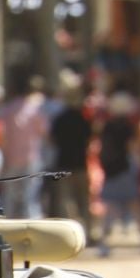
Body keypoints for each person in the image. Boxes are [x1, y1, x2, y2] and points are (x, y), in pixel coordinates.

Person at [95, 90, 140, 256]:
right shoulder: (127, 127)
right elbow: (132, 148)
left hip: (111, 170)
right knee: (135, 205)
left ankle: (104, 242)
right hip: (124, 170)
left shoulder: (107, 126)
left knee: (110, 208)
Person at [0, 73, 51, 217]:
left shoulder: (7, 110)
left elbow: (1, 135)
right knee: (30, 198)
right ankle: (32, 230)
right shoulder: (35, 110)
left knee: (10, 197)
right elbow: (45, 133)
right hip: (31, 157)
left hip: (11, 158)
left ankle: (7, 228)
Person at [47, 79, 94, 232]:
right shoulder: (83, 119)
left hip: (63, 162)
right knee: (83, 200)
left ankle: (69, 231)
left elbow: (52, 139)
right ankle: (87, 230)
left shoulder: (60, 119)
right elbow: (90, 139)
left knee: (66, 200)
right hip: (80, 163)